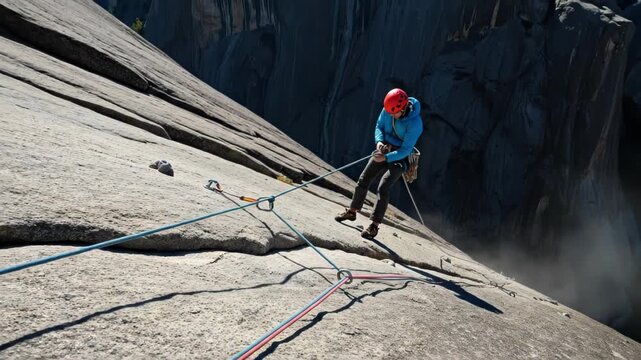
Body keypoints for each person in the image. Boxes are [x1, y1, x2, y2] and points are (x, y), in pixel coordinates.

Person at [335, 88, 423, 239]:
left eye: (393, 113)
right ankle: (352, 211)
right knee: (364, 179)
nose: (390, 115)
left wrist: (387, 158)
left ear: (403, 109)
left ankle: (374, 226)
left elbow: (406, 150)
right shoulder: (389, 108)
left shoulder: (415, 124)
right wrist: (379, 142)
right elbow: (379, 126)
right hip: (384, 149)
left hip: (400, 157)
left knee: (383, 187)